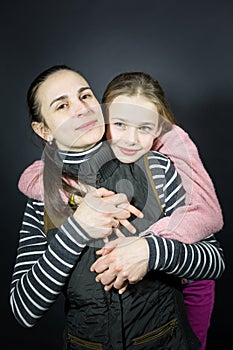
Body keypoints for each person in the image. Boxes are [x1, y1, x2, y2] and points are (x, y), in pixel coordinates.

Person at [10, 65, 225, 350]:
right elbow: (24, 311)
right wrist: (76, 229)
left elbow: (214, 260)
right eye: (62, 105)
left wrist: (151, 252)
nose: (81, 109)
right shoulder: (41, 196)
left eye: (85, 96)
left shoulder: (157, 166)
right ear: (43, 129)